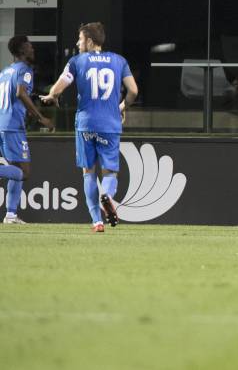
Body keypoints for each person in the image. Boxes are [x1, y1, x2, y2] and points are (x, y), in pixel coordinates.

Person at [41, 22, 138, 233]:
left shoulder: (77, 61)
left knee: (89, 171)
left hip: (85, 124)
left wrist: (52, 95)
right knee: (110, 171)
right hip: (110, 124)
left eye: (80, 39)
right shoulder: (119, 61)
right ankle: (109, 198)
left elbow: (61, 84)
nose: (77, 43)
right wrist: (121, 106)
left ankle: (97, 221)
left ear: (90, 41)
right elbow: (133, 91)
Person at [0, 36, 55, 223]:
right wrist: (41, 118)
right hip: (13, 127)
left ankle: (10, 215)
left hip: (2, 123)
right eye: (30, 46)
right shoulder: (25, 69)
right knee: (24, 172)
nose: (33, 49)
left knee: (15, 171)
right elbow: (20, 93)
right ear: (22, 50)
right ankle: (11, 214)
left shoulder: (6, 71)